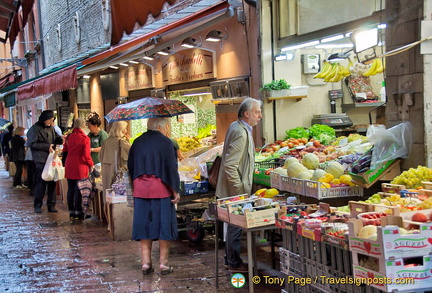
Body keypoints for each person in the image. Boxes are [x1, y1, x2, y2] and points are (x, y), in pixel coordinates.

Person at [127, 117, 180, 275]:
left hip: (140, 190)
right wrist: (175, 191)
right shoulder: (166, 142)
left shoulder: (137, 142)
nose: (167, 130)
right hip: (161, 190)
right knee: (164, 225)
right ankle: (163, 263)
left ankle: (146, 263)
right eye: (166, 127)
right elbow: (171, 167)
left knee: (144, 224)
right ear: (159, 127)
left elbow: (130, 166)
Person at [215, 97, 263, 273]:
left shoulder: (236, 127)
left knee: (233, 226)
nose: (260, 116)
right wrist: (240, 189)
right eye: (257, 112)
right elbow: (230, 165)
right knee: (235, 226)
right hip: (234, 190)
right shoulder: (242, 133)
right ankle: (234, 262)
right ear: (247, 113)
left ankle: (231, 260)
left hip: (232, 189)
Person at [27, 110, 63, 213]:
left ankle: (51, 205)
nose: (51, 122)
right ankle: (37, 205)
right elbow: (32, 144)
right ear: (45, 119)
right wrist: (47, 146)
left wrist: (60, 140)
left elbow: (55, 138)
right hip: (40, 159)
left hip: (51, 159)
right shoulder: (34, 129)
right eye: (50, 120)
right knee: (41, 182)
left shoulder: (51, 128)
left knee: (52, 182)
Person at [99, 121, 131, 227]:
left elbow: (100, 157)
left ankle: (109, 222)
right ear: (120, 130)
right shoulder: (122, 142)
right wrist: (128, 141)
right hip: (119, 174)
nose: (126, 131)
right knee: (119, 196)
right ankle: (118, 223)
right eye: (125, 129)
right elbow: (130, 156)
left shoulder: (106, 142)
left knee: (107, 195)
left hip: (106, 172)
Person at [64, 118, 94, 220]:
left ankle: (71, 211)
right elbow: (86, 155)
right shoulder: (85, 138)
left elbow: (65, 150)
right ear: (83, 126)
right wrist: (91, 164)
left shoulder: (69, 137)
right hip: (80, 165)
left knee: (71, 188)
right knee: (79, 189)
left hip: (70, 164)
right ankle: (79, 211)